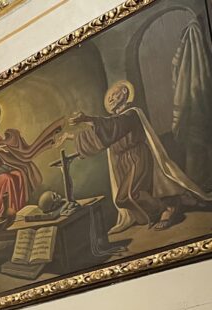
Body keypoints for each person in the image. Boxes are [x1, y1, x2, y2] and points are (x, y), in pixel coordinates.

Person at [69, 80, 212, 233]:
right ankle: (167, 205)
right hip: (123, 162)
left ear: (124, 93)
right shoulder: (112, 122)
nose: (110, 99)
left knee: (128, 195)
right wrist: (72, 138)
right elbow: (101, 138)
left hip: (137, 157)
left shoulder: (131, 113)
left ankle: (167, 208)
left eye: (114, 94)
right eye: (108, 97)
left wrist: (88, 119)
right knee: (122, 199)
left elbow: (116, 125)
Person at [0, 105, 65, 226]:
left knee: (20, 173)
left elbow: (3, 149)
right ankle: (11, 213)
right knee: (8, 179)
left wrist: (14, 148)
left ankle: (20, 211)